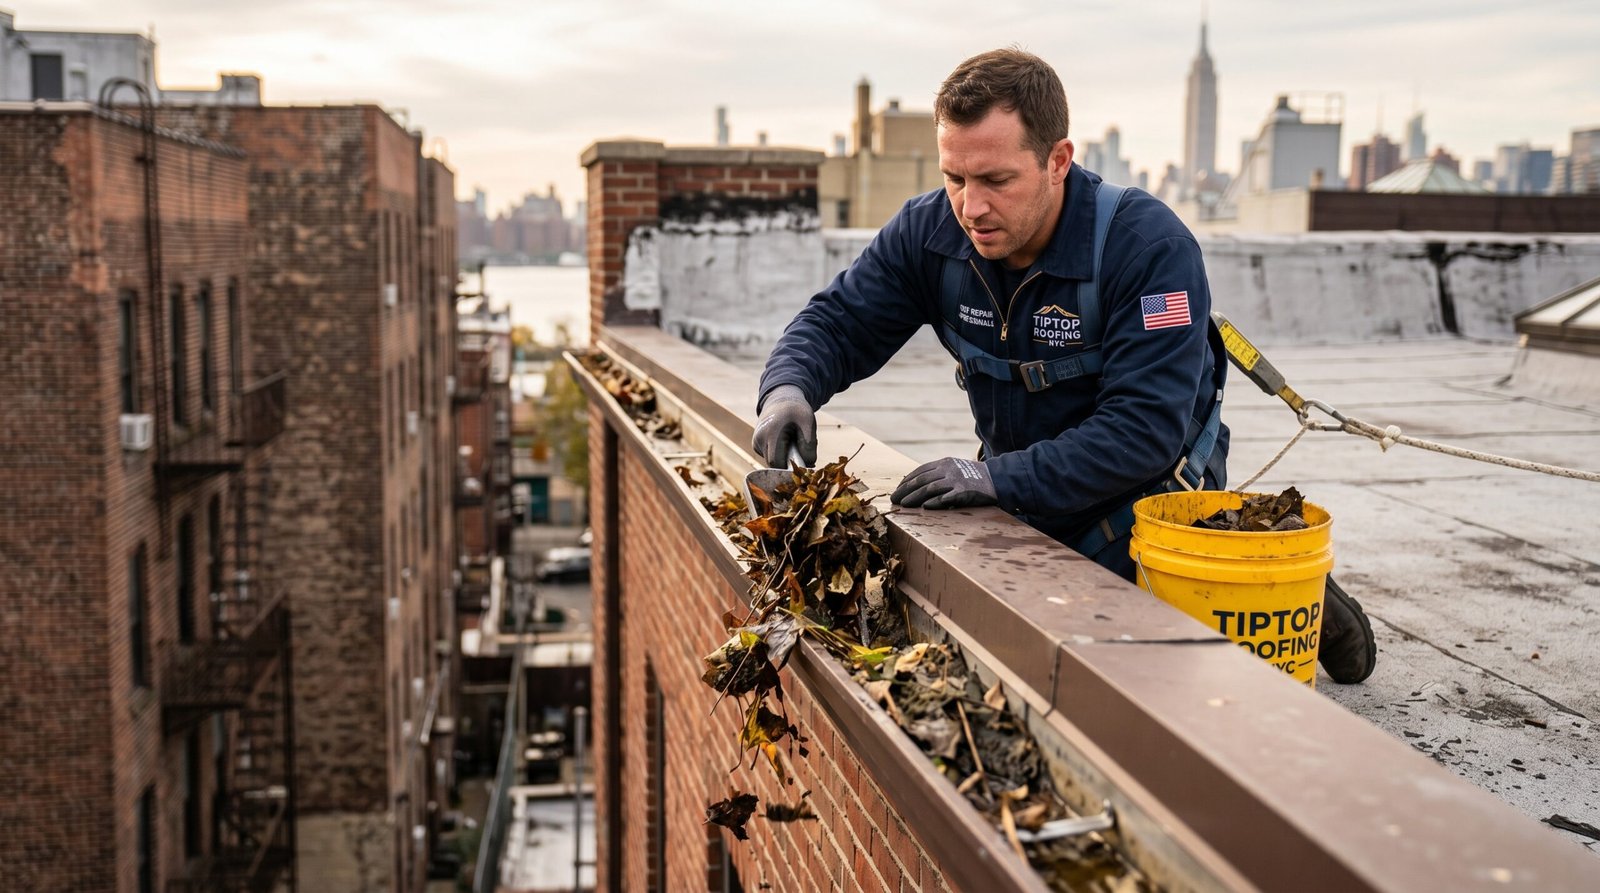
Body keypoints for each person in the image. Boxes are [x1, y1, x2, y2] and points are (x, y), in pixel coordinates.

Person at [751, 48, 1375, 684]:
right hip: (1020, 487)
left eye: (996, 180)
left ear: (1058, 161)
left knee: (1140, 670)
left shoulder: (1148, 250)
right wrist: (787, 389)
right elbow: (839, 320)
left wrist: (995, 479)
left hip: (1146, 494)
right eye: (955, 178)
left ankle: (1293, 592)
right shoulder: (931, 234)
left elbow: (1143, 432)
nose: (970, 207)